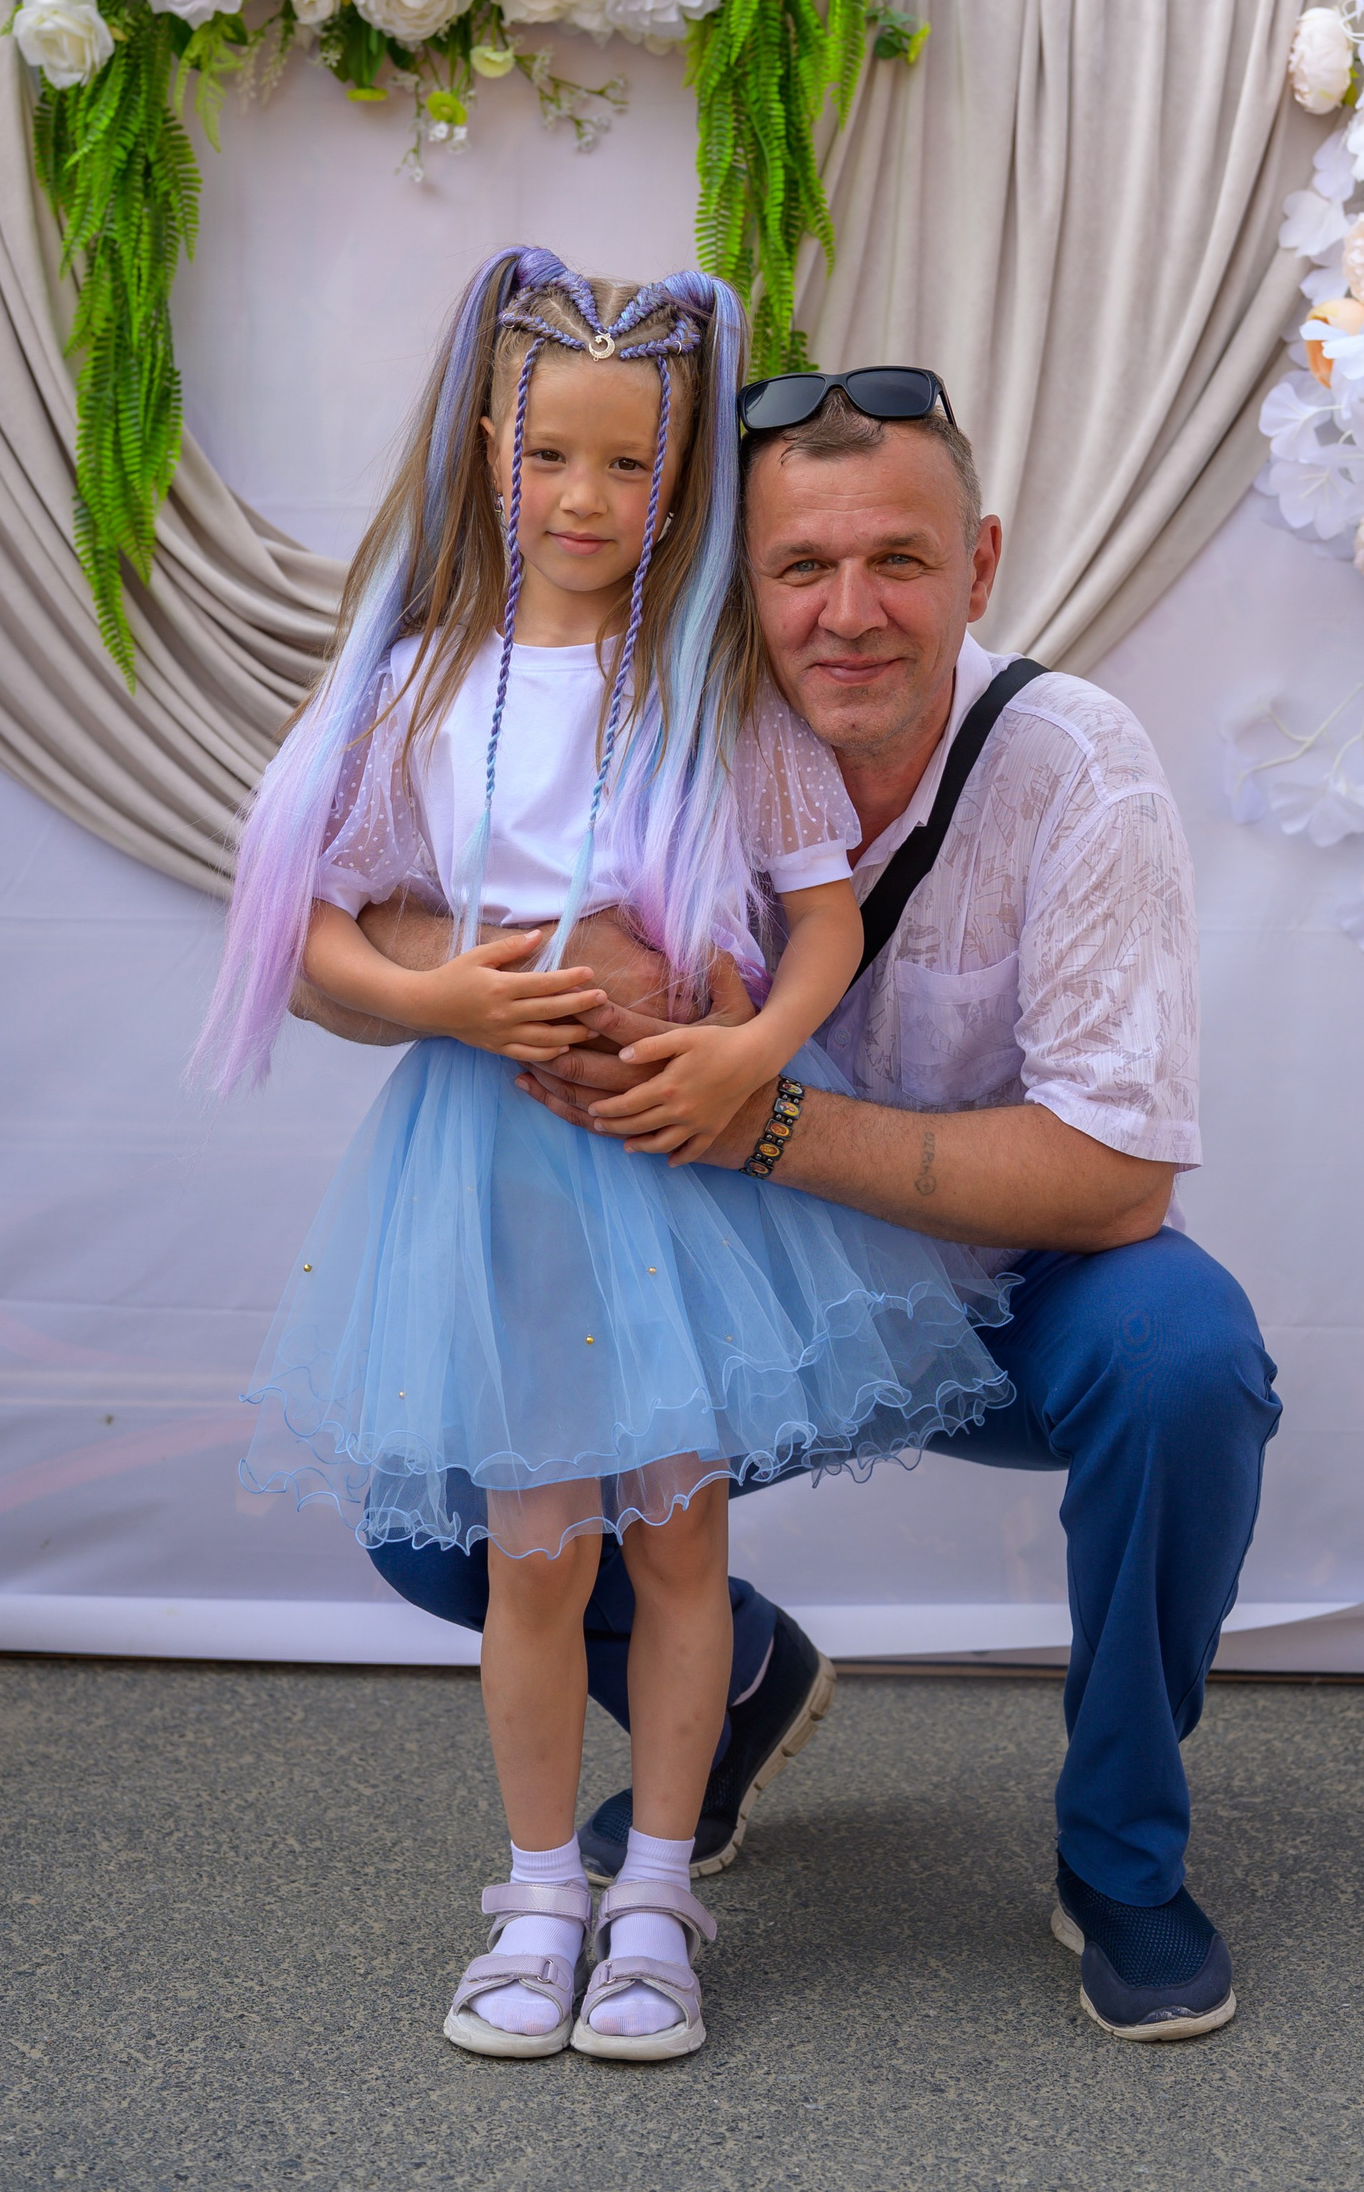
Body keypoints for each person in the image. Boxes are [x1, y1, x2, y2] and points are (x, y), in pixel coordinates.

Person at [315, 360, 1284, 2045]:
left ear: (981, 564)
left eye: (899, 559)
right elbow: (349, 917)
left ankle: (1122, 1849)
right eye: (800, 566)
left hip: (1013, 1288)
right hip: (726, 1292)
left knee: (1186, 1359)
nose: (849, 611)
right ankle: (742, 1686)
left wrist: (759, 1118)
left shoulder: (1080, 763)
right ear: (731, 578)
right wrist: (509, 968)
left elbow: (1121, 1176)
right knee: (438, 1512)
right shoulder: (652, 718)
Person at [197, 253, 1017, 2065]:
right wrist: (437, 999)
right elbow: (312, 917)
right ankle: (536, 1890)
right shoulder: (422, 682)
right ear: (488, 448)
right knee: (535, 1558)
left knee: (678, 1543)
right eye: (550, 455)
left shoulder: (711, 686)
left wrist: (751, 1046)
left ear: (683, 477)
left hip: (666, 1164)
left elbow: (821, 917)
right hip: (491, 1169)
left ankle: (658, 1891)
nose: (586, 499)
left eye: (632, 463)